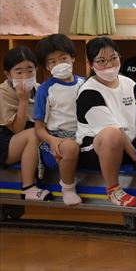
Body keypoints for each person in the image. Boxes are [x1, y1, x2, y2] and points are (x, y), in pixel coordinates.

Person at [76, 37, 136, 207]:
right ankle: (113, 190)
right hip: (95, 149)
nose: (109, 64)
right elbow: (114, 130)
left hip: (128, 142)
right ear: (91, 63)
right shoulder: (88, 92)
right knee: (113, 134)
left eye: (113, 58)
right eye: (101, 61)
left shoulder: (130, 83)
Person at [34, 34, 84, 206]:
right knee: (69, 147)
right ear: (47, 67)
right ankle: (68, 188)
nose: (59, 64)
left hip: (83, 134)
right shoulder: (45, 90)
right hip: (57, 139)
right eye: (52, 61)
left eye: (63, 58)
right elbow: (39, 128)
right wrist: (52, 140)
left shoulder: (84, 84)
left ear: (72, 58)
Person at [0, 46, 53, 200]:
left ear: (36, 69)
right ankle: (28, 187)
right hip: (6, 140)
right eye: (19, 71)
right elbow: (17, 129)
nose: (25, 75)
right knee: (35, 133)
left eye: (30, 70)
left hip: (25, 141)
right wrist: (23, 100)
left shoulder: (41, 89)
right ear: (8, 74)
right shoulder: (3, 92)